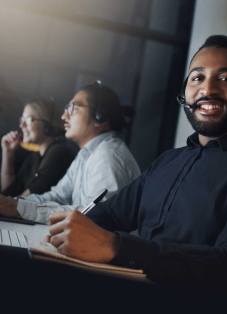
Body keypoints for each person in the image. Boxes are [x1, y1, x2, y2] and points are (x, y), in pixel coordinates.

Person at [44, 36, 227, 297]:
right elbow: (110, 213)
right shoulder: (167, 161)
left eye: (226, 78)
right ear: (184, 91)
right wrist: (74, 231)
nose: (207, 89)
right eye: (197, 78)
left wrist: (117, 247)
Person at [0, 82, 140, 224]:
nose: (64, 116)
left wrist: (19, 208)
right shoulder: (85, 155)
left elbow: (93, 216)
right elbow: (58, 195)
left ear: (100, 117)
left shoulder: (108, 157)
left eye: (74, 108)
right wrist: (14, 203)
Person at [1, 98, 75, 198]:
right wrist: (8, 154)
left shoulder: (59, 153)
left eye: (28, 120)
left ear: (47, 124)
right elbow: (9, 192)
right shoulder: (35, 157)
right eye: (22, 120)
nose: (21, 125)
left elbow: (20, 202)